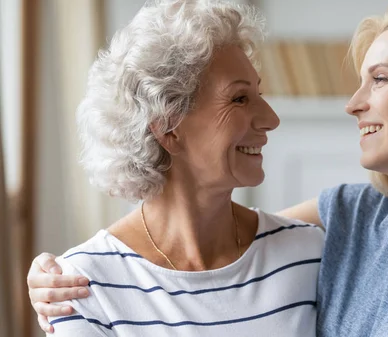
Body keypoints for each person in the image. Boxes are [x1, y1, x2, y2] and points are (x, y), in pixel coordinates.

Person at [28, 1, 388, 336]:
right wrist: (52, 276)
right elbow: (208, 252)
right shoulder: (352, 216)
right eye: (240, 98)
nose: (352, 104)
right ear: (168, 126)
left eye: (379, 79)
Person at [26, 0, 325, 336]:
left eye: (259, 93)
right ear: (168, 127)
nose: (271, 119)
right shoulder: (80, 286)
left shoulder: (307, 253)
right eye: (239, 98)